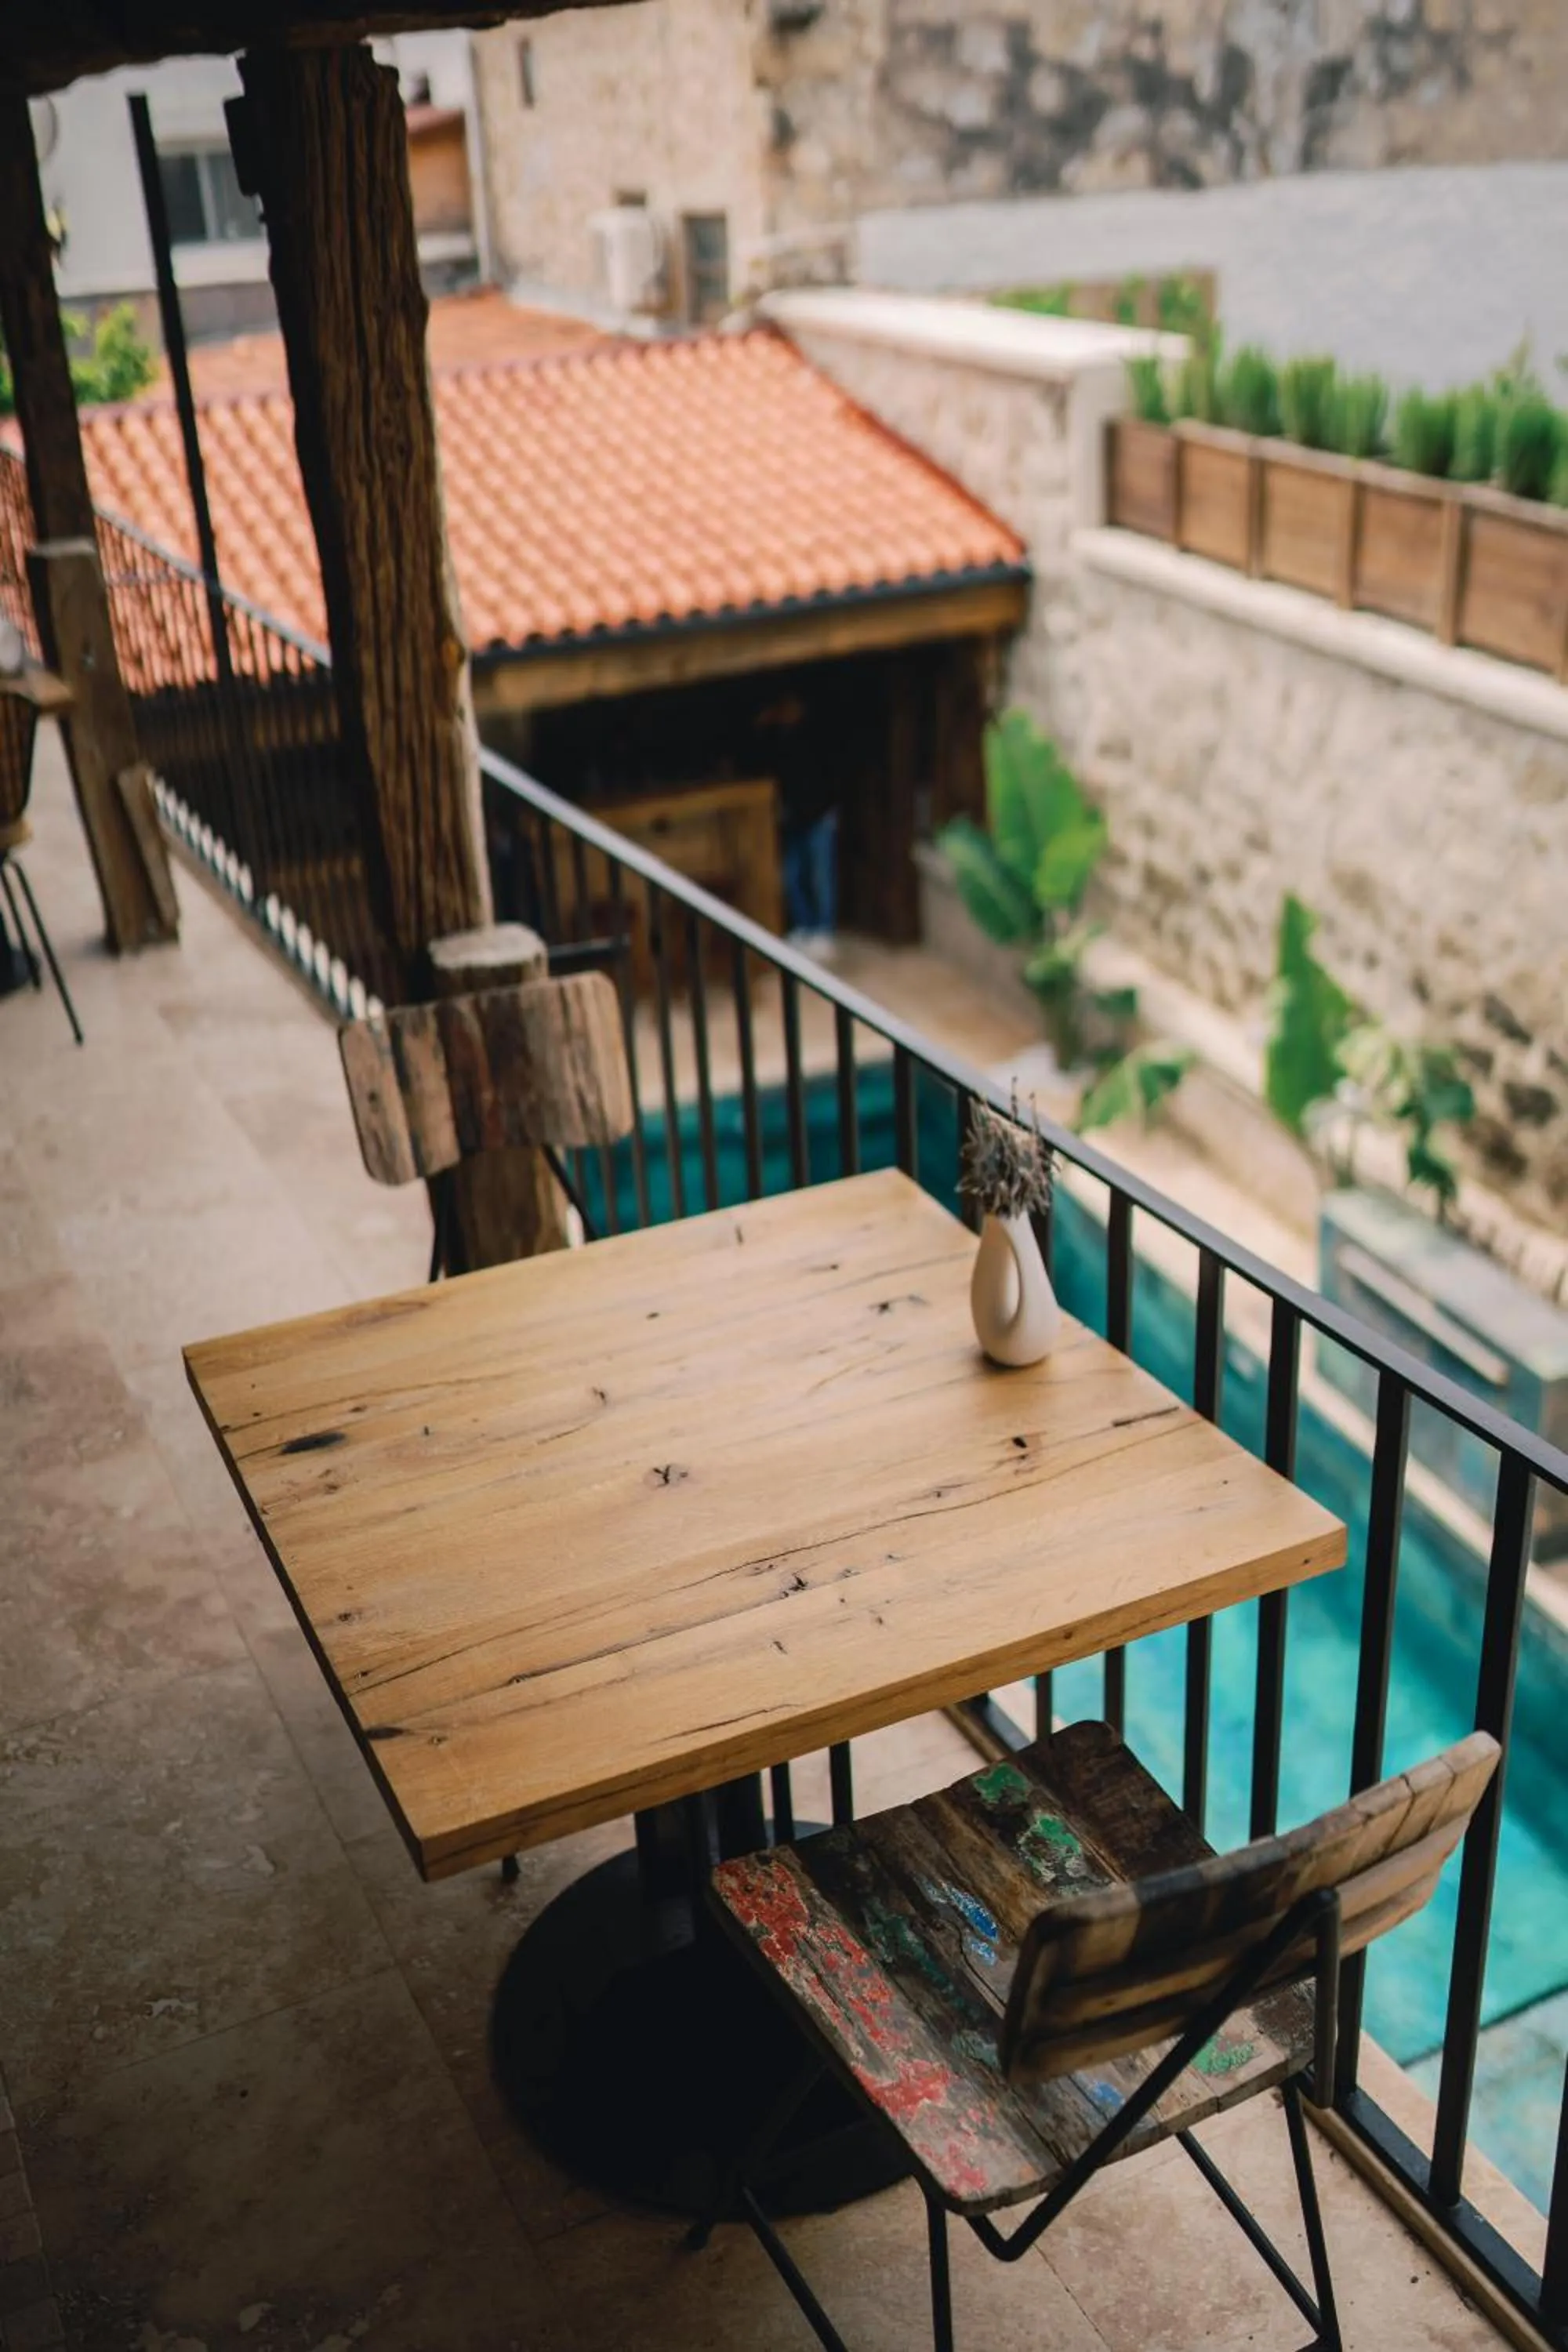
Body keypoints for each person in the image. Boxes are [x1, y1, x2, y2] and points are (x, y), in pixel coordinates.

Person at [759, 693, 839, 960]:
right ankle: (804, 927)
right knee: (792, 876)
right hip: (794, 820)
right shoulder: (778, 740)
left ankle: (824, 932)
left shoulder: (816, 737)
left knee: (821, 878)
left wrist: (830, 810)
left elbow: (831, 774)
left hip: (819, 817)